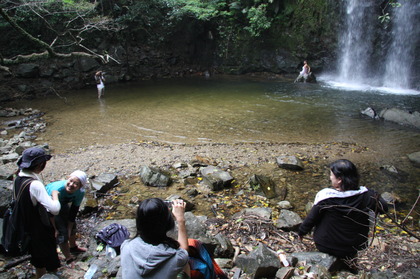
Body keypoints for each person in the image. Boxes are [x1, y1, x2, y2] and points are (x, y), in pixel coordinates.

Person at [298, 159, 388, 272]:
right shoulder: (368, 195)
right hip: (355, 245)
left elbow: (311, 219)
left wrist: (301, 232)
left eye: (331, 175)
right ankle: (351, 266)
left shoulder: (326, 197)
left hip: (326, 244)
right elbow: (384, 208)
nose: (330, 177)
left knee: (321, 216)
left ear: (339, 180)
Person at [15, 147, 61, 278]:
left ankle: (40, 275)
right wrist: (55, 196)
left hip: (25, 227)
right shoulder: (34, 184)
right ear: (41, 164)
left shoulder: (18, 178)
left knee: (37, 259)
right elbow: (55, 209)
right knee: (50, 257)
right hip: (39, 228)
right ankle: (52, 275)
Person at [121, 198, 190, 279]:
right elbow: (184, 251)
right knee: (190, 254)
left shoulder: (126, 246)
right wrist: (180, 219)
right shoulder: (178, 258)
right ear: (167, 223)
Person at [46, 170, 88, 265]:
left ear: (80, 186)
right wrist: (55, 228)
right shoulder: (58, 189)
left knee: (72, 227)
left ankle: (73, 247)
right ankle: (68, 257)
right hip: (49, 205)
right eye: (70, 181)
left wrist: (70, 229)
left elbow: (73, 211)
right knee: (61, 232)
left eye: (76, 184)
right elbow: (50, 213)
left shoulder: (80, 193)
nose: (71, 184)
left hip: (62, 204)